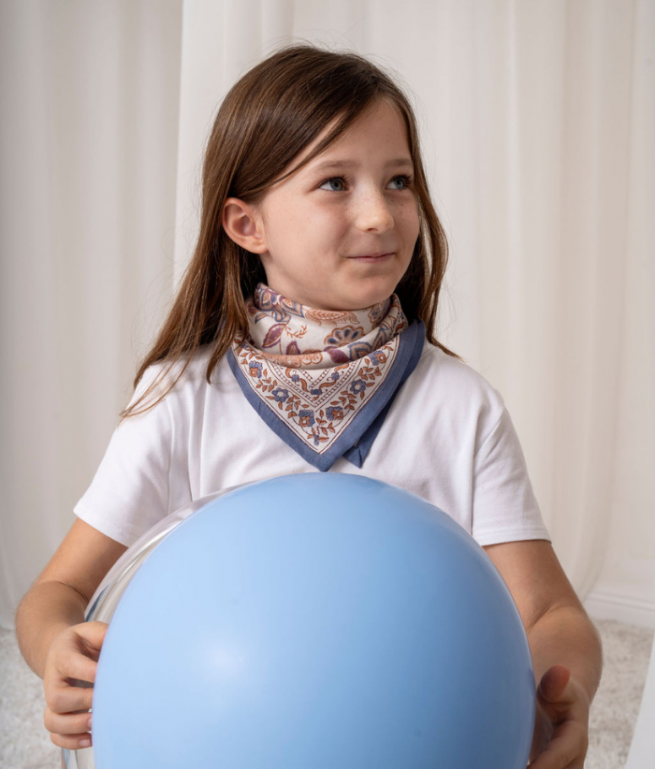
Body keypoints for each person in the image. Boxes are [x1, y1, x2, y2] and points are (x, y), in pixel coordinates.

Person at [15, 44, 602, 768]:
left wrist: (562, 690)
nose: (379, 214)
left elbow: (550, 613)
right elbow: (58, 591)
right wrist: (60, 650)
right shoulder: (180, 398)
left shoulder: (461, 405)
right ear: (246, 225)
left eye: (398, 181)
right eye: (334, 183)